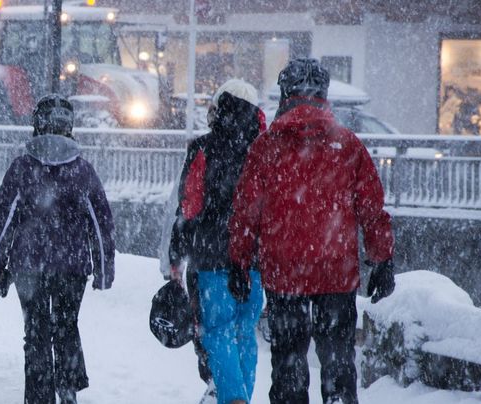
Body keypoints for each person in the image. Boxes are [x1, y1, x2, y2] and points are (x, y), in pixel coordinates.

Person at [229, 58, 395, 404]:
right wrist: (381, 259)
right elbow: (372, 208)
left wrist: (239, 262)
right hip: (336, 269)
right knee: (338, 362)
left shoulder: (266, 146)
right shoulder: (347, 145)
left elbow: (246, 212)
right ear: (324, 94)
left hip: (284, 270)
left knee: (288, 363)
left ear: (284, 94)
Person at [0, 94, 116, 404]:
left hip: (29, 267)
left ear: (36, 126)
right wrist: (104, 269)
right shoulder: (82, 170)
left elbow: (2, 223)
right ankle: (68, 390)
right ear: (69, 128)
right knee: (67, 326)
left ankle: (39, 398)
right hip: (73, 267)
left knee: (36, 335)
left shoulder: (22, 168)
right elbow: (101, 224)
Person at [168, 79, 267, 404]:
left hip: (211, 258)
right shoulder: (264, 148)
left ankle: (233, 397)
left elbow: (190, 205)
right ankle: (241, 397)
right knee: (244, 333)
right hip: (252, 258)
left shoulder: (204, 148)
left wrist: (176, 252)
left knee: (218, 332)